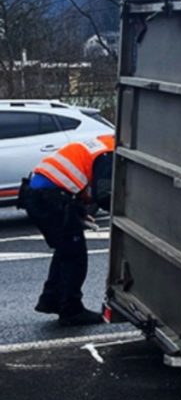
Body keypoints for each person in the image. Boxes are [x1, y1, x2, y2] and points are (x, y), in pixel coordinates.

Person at [18, 134, 115, 326]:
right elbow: (105, 195)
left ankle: (51, 300)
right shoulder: (109, 154)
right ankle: (71, 310)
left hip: (38, 195)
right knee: (74, 256)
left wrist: (78, 210)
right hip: (51, 199)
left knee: (65, 251)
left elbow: (75, 176)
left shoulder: (102, 142)